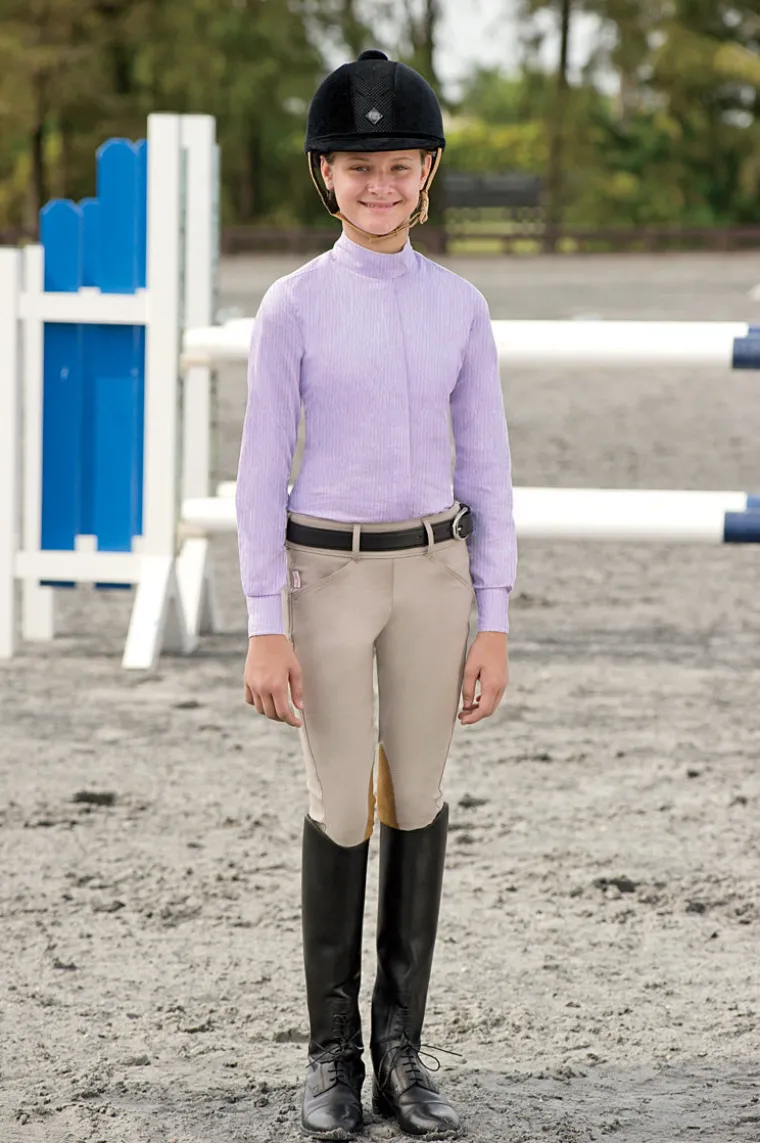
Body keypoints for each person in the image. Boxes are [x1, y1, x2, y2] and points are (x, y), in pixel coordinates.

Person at [235, 49, 517, 1139]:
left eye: (399, 165)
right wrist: (265, 622)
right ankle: (332, 1054)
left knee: (421, 797)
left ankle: (402, 1050)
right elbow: (261, 471)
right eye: (358, 168)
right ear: (326, 176)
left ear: (427, 172)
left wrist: (495, 614)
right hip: (328, 575)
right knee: (343, 800)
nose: (380, 185)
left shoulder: (460, 307)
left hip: (433, 576)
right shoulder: (293, 306)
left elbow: (487, 467)